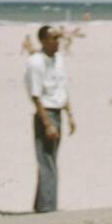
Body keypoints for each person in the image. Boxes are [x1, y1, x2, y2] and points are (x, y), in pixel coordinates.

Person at [25, 25, 76, 213]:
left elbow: (62, 88)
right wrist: (47, 123)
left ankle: (42, 205)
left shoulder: (58, 60)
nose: (57, 42)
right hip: (46, 113)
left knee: (50, 161)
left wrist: (70, 115)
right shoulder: (35, 63)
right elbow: (35, 95)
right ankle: (48, 208)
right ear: (44, 41)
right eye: (53, 38)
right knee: (47, 162)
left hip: (58, 111)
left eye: (58, 38)